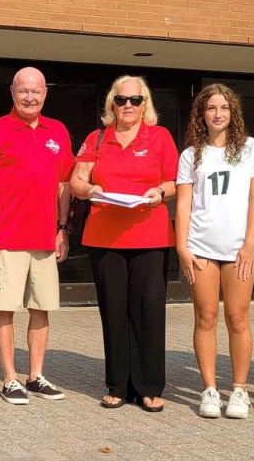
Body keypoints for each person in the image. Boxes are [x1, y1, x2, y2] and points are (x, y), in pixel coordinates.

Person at [69, 75, 177, 412]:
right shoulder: (97, 137)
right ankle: (118, 384)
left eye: (135, 100)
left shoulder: (159, 137)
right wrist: (90, 191)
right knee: (113, 310)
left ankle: (149, 386)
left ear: (145, 104)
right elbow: (76, 180)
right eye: (121, 99)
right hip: (105, 236)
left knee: (148, 311)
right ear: (111, 104)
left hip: (150, 234)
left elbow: (173, 182)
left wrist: (159, 193)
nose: (128, 106)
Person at [0, 67, 74, 404]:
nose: (30, 97)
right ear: (12, 92)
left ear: (45, 94)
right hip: (6, 238)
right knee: (5, 308)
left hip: (45, 238)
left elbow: (64, 186)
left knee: (41, 308)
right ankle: (10, 378)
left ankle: (36, 375)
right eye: (23, 91)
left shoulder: (57, 131)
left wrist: (62, 229)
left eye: (36, 91)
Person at [175, 83, 254, 419]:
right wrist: (182, 247)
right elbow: (184, 204)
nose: (218, 114)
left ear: (233, 113)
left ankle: (239, 390)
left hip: (239, 249)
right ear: (202, 113)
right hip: (201, 249)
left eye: (224, 108)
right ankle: (210, 389)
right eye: (211, 108)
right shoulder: (191, 154)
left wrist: (248, 244)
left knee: (238, 317)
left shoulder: (251, 149)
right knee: (206, 316)